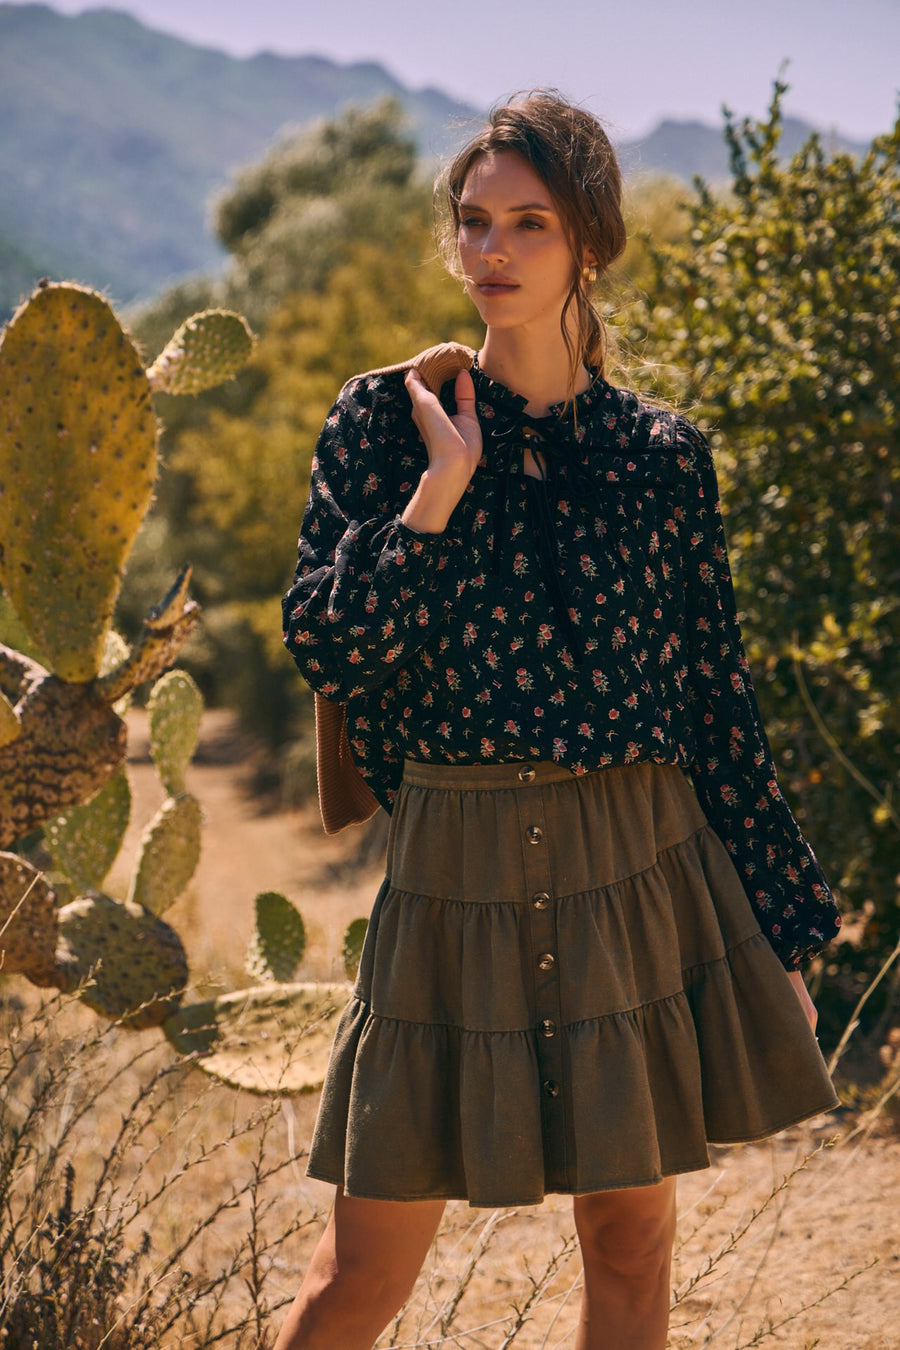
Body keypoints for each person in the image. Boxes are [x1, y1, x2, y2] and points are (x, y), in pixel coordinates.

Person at [277, 91, 841, 1350]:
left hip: (637, 866)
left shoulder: (662, 457)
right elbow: (323, 639)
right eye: (474, 223)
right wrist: (438, 496)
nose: (492, 253)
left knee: (631, 1249)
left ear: (591, 240)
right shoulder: (386, 424)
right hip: (452, 870)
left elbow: (714, 703)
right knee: (360, 1271)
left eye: (529, 224)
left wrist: (784, 937)